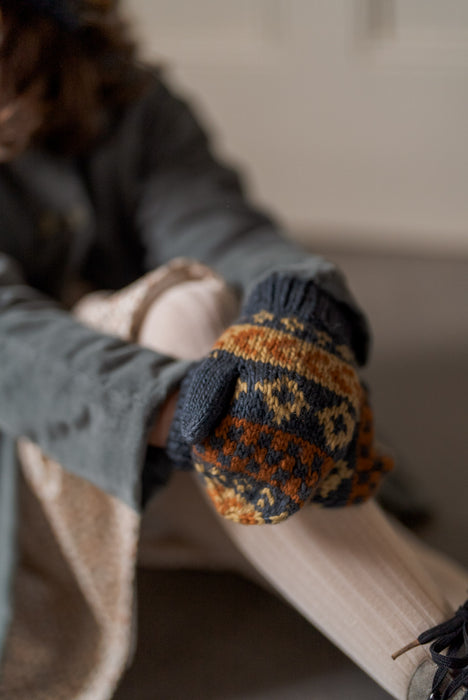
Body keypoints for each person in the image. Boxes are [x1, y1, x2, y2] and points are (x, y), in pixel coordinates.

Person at [0, 2, 466, 699]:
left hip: (175, 452)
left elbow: (220, 227)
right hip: (37, 443)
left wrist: (294, 318)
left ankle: (439, 673)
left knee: (209, 330)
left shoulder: (124, 98)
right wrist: (178, 406)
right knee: (223, 386)